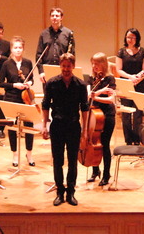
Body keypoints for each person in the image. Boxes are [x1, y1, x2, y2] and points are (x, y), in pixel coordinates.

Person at [41, 53, 89, 207]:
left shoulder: (80, 85)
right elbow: (45, 105)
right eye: (63, 66)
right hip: (57, 126)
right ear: (60, 66)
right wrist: (44, 125)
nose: (66, 69)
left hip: (74, 126)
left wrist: (85, 130)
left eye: (69, 66)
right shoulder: (52, 83)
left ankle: (71, 192)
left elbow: (85, 108)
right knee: (58, 161)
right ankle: (60, 192)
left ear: (73, 66)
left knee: (73, 161)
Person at [0, 36, 36, 167]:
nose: (18, 50)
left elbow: (32, 79)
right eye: (15, 48)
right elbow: (1, 83)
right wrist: (14, 85)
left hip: (26, 98)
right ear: (11, 49)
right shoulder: (6, 64)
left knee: (29, 126)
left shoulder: (28, 63)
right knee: (13, 127)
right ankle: (15, 154)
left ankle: (29, 153)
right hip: (12, 97)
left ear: (23, 49)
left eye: (20, 47)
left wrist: (29, 83)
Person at [85, 52, 117, 186]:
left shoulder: (110, 79)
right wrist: (93, 94)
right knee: (93, 143)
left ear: (103, 64)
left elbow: (110, 99)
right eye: (93, 63)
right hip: (94, 115)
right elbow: (88, 95)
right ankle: (95, 170)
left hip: (107, 116)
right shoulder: (91, 79)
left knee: (104, 144)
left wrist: (96, 96)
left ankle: (106, 173)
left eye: (97, 64)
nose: (94, 66)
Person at [115, 28, 144, 145]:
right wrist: (130, 77)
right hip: (126, 85)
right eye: (128, 37)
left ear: (137, 39)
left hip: (140, 86)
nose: (130, 40)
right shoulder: (121, 52)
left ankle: (137, 139)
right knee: (126, 114)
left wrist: (138, 78)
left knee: (138, 114)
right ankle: (128, 140)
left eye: (133, 37)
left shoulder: (143, 52)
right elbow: (118, 70)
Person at [35, 7, 75, 84]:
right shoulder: (44, 34)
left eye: (57, 16)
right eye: (52, 16)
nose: (54, 18)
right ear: (50, 17)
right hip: (47, 71)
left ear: (61, 17)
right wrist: (41, 72)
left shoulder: (68, 33)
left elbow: (72, 54)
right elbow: (39, 55)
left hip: (63, 70)